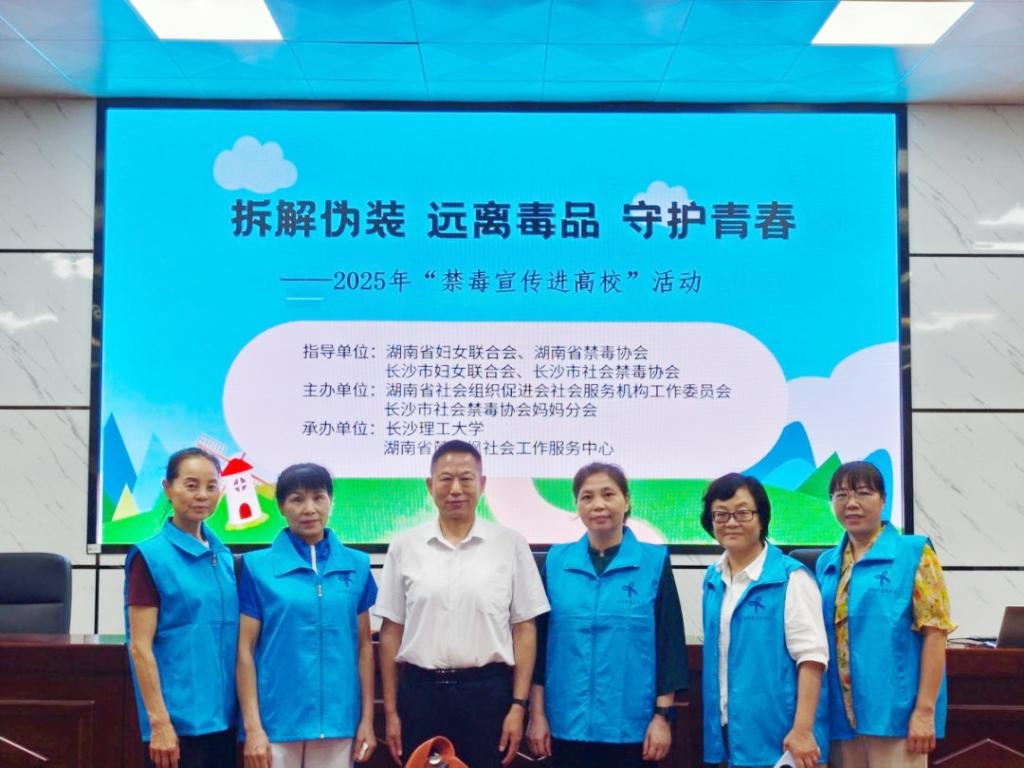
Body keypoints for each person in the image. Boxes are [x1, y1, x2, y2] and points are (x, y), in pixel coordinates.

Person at [375, 439, 550, 768]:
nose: (456, 489)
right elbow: (391, 631)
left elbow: (525, 629)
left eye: (466, 479)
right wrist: (392, 711)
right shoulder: (404, 546)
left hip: (487, 695)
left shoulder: (510, 544)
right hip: (421, 695)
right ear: (430, 486)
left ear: (482, 484)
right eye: (446, 479)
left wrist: (518, 706)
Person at [526, 462, 689, 768]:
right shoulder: (557, 561)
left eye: (608, 494)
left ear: (626, 501)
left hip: (632, 728)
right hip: (565, 725)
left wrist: (662, 717)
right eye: (587, 497)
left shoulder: (653, 562)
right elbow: (540, 647)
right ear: (577, 505)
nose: (598, 505)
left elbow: (668, 645)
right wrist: (536, 715)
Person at [236, 462, 377, 768]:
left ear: (331, 501)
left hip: (339, 722)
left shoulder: (357, 565)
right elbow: (244, 651)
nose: (309, 509)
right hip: (276, 723)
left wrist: (366, 720)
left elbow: (364, 647)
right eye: (297, 499)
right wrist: (253, 727)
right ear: (281, 506)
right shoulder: (256, 567)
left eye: (318, 497)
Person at [817, 461, 955, 768]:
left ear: (883, 500)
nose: (851, 503)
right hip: (841, 718)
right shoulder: (826, 563)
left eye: (863, 493)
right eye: (841, 495)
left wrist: (925, 711)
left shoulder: (914, 553)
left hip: (897, 717)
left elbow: (935, 633)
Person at [700, 473, 829, 768]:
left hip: (784, 740)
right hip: (728, 733)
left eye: (742, 512)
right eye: (721, 514)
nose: (731, 522)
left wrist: (802, 730)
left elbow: (812, 658)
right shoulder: (713, 578)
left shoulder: (790, 577)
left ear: (762, 518)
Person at [124, 447, 239, 768]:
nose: (202, 495)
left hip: (224, 719)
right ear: (168, 489)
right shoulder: (150, 557)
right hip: (176, 724)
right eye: (191, 485)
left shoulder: (224, 556)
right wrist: (159, 722)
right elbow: (140, 647)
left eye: (211, 486)